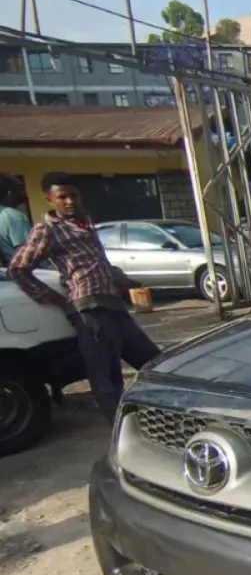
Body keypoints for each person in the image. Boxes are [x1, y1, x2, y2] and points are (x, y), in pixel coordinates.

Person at [8, 173, 160, 422]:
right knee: (106, 376)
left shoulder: (85, 222)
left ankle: (165, 412)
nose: (69, 201)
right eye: (62, 197)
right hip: (88, 310)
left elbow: (96, 263)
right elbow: (18, 268)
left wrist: (124, 281)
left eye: (73, 195)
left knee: (152, 361)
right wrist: (53, 298)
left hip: (113, 305)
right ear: (50, 199)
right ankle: (119, 430)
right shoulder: (48, 229)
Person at [0, 174, 32, 264]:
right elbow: (27, 252)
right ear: (10, 192)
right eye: (20, 190)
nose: (24, 194)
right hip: (31, 272)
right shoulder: (14, 216)